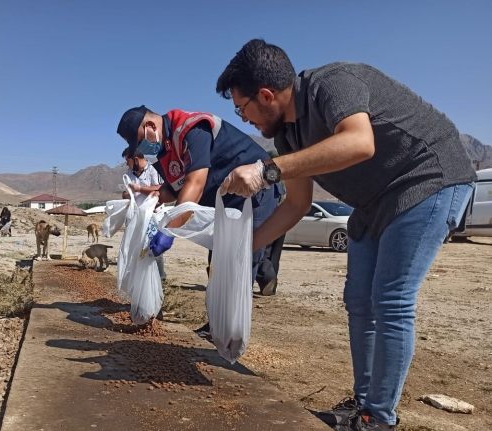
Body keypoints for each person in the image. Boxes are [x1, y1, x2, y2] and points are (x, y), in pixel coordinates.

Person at [216, 39, 476, 430]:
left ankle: (378, 419)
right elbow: (296, 204)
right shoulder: (288, 137)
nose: (244, 118)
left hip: (429, 179)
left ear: (265, 95)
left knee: (390, 298)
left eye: (242, 108)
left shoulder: (332, 83)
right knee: (358, 299)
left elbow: (359, 141)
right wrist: (242, 247)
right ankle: (364, 402)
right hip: (375, 201)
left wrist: (268, 170)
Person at [116, 104, 281, 335]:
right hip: (224, 203)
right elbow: (173, 191)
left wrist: (167, 231)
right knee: (218, 265)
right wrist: (147, 199)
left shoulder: (192, 128)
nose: (143, 148)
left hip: (255, 194)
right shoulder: (164, 152)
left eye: (141, 140)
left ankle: (228, 332)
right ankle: (218, 326)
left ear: (151, 126)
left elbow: (195, 183)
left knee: (239, 261)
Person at [121, 147, 167, 280]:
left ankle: (160, 277)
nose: (126, 164)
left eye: (127, 161)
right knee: (138, 246)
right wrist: (127, 194)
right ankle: (141, 277)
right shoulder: (129, 174)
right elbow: (127, 192)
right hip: (138, 216)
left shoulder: (154, 170)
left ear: (135, 159)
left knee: (154, 246)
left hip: (153, 215)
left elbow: (160, 188)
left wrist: (140, 189)